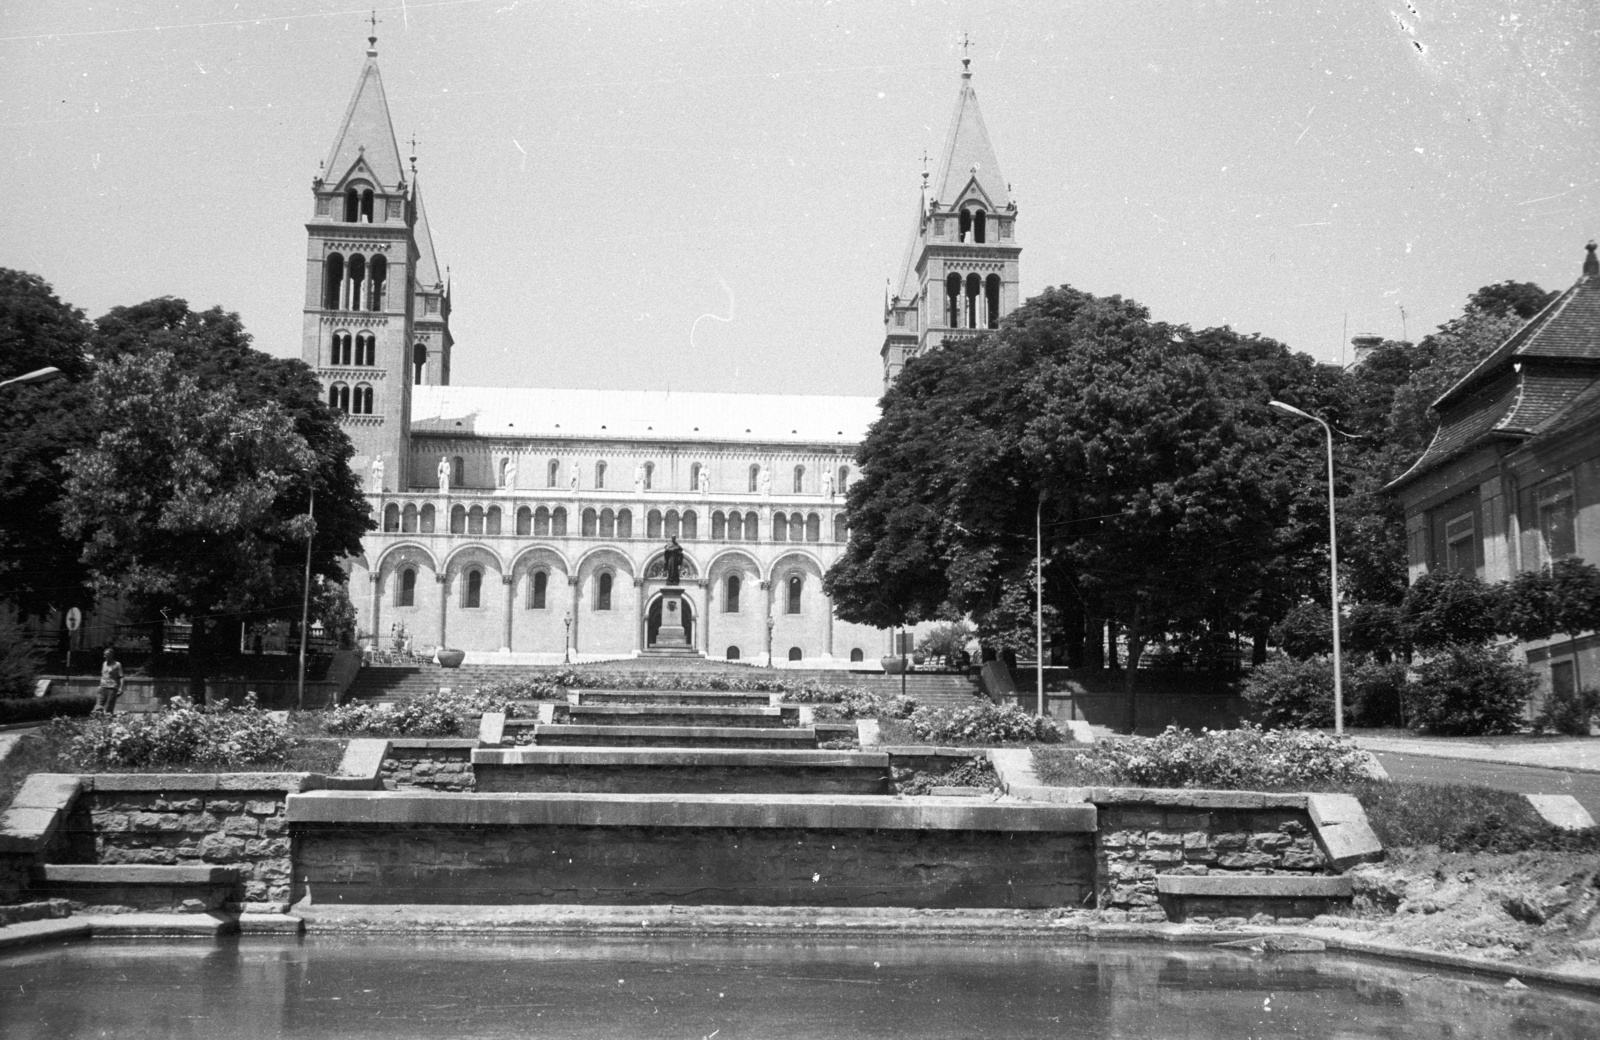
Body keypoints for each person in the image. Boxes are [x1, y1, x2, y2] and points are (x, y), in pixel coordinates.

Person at [95, 648, 123, 714]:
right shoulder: (104, 663)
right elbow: (103, 675)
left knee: (109, 708)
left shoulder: (117, 664)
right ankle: (97, 722)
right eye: (104, 655)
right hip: (102, 687)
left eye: (107, 655)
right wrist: (99, 686)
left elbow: (121, 677)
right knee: (98, 707)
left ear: (111, 655)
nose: (105, 656)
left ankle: (108, 722)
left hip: (112, 688)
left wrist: (121, 688)